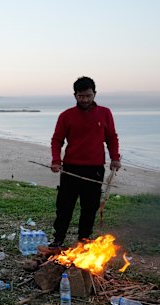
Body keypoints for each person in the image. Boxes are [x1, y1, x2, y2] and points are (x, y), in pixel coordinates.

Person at [49, 76, 121, 247]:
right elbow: (57, 140)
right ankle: (58, 239)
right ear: (75, 95)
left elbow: (111, 137)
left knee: (90, 208)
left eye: (88, 95)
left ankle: (84, 240)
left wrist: (115, 158)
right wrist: (56, 160)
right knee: (64, 207)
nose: (85, 99)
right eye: (81, 96)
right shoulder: (66, 116)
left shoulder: (105, 113)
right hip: (71, 169)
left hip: (95, 169)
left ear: (94, 94)